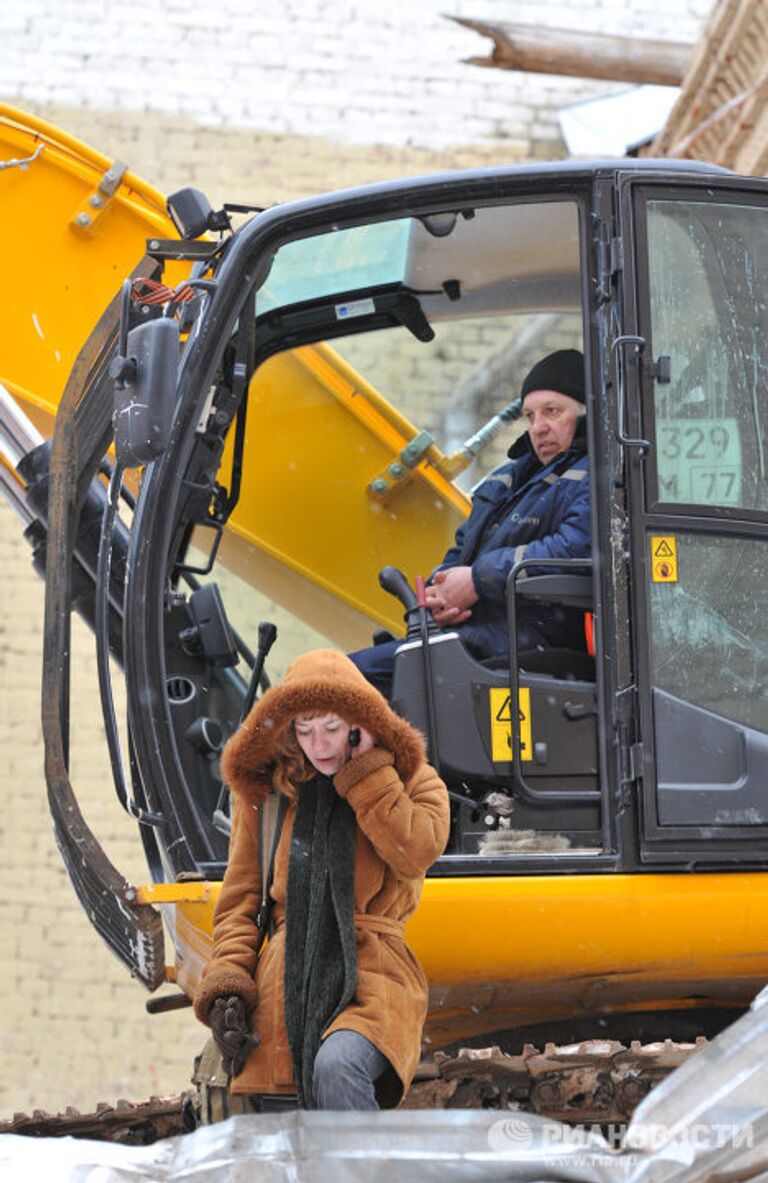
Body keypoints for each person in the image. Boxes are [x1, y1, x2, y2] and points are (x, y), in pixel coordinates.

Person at [193, 648, 450, 1111]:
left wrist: (367, 772)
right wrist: (227, 986)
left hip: (373, 973)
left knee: (337, 1067)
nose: (320, 744)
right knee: (276, 1126)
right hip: (283, 985)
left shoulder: (413, 780)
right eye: (304, 730)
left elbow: (416, 851)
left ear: (360, 721)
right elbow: (241, 903)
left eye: (332, 728)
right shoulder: (267, 798)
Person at [350, 348, 590, 697]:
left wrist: (478, 580)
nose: (538, 428)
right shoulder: (507, 481)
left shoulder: (596, 479)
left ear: (587, 413)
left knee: (349, 679)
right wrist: (441, 596)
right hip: (476, 632)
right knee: (341, 676)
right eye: (529, 415)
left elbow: (575, 549)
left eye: (552, 411)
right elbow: (462, 549)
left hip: (526, 638)